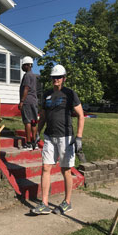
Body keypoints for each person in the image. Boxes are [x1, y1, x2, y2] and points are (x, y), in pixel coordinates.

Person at [31, 64, 85, 215]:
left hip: (65, 137)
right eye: (54, 77)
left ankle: (67, 202)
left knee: (65, 170)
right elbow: (43, 116)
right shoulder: (47, 94)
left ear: (64, 78)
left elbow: (81, 115)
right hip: (49, 136)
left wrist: (79, 137)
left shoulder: (70, 94)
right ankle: (44, 203)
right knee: (46, 168)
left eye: (59, 77)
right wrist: (37, 134)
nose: (56, 80)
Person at [18, 56, 39, 150]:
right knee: (34, 122)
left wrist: (22, 101)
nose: (22, 67)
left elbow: (26, 88)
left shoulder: (27, 75)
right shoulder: (33, 75)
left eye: (23, 65)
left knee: (27, 121)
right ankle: (35, 143)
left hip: (27, 101)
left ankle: (28, 143)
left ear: (27, 65)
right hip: (34, 101)